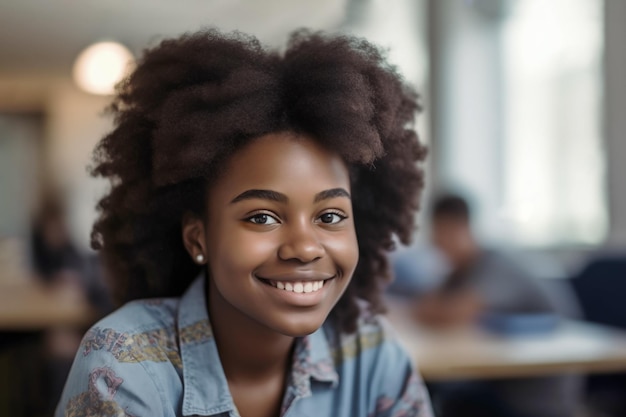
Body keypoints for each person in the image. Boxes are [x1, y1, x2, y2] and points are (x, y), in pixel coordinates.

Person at [55, 29, 433, 417]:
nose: (304, 247)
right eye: (262, 217)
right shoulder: (125, 365)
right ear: (197, 237)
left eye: (330, 216)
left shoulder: (371, 355)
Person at [414, 193, 581, 417]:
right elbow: (424, 305)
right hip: (501, 382)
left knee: (446, 399)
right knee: (443, 395)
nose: (437, 245)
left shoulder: (496, 266)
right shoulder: (461, 271)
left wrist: (437, 309)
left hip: (538, 392)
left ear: (460, 228)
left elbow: (453, 313)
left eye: (441, 234)